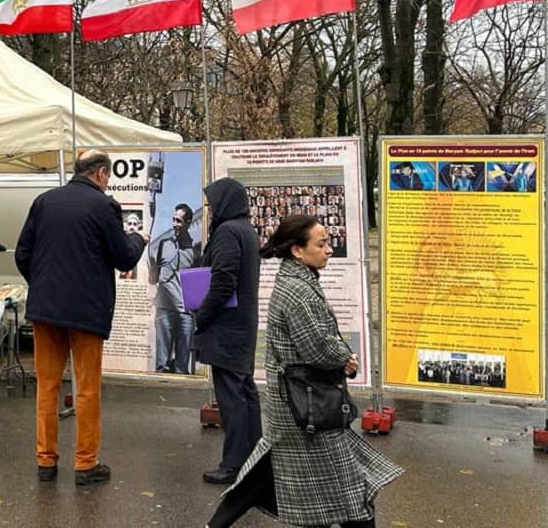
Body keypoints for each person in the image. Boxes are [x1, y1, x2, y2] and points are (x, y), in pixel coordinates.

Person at [207, 215, 402, 528]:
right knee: (354, 494)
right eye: (321, 244)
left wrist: (340, 358)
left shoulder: (297, 281)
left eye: (328, 243)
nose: (328, 250)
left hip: (300, 406)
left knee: (266, 476)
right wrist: (345, 359)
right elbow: (317, 348)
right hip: (305, 409)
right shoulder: (298, 291)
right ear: (298, 251)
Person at [15, 150, 150, 486]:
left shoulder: (44, 201)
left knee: (46, 387)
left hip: (46, 311)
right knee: (87, 388)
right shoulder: (103, 206)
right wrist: (138, 238)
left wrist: (44, 285)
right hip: (86, 312)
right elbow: (123, 258)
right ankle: (85, 464)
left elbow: (22, 253)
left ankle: (45, 461)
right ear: (102, 174)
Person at [193, 178, 262, 485]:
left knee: (232, 399)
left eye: (212, 204)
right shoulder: (247, 230)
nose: (209, 210)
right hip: (241, 325)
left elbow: (223, 280)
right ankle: (254, 459)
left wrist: (202, 315)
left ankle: (233, 464)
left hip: (226, 328)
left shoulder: (227, 232)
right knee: (245, 394)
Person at [151, 203, 201, 374]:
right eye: (173, 219)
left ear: (187, 223)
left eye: (179, 221)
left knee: (181, 367)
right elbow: (154, 278)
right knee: (161, 365)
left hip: (185, 313)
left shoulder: (195, 251)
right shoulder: (164, 244)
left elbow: (197, 286)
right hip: (164, 309)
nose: (174, 224)